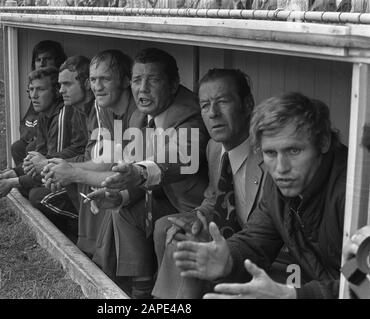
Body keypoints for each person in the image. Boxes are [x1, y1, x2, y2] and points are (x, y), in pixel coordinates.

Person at [174, 92, 347, 299]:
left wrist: (294, 295)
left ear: (324, 143)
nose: (281, 168)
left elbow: (363, 283)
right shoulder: (280, 185)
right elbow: (256, 241)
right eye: (271, 153)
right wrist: (227, 259)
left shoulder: (356, 195)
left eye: (294, 151)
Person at [94, 48, 209, 298]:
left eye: (153, 80)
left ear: (174, 84)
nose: (142, 89)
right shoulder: (141, 116)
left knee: (162, 227)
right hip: (166, 199)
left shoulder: (189, 112)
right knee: (123, 206)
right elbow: (131, 168)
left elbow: (181, 156)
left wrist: (139, 172)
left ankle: (162, 298)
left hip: (197, 207)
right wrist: (120, 194)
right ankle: (141, 290)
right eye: (137, 80)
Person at [151, 68, 266, 298]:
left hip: (263, 246)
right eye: (205, 105)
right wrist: (196, 216)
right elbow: (214, 197)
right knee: (170, 228)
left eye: (222, 102)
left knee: (187, 244)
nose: (213, 113)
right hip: (231, 233)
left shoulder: (270, 153)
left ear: (247, 104)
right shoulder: (214, 147)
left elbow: (268, 231)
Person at [41, 50, 138, 288]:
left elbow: (128, 177)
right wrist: (62, 169)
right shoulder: (105, 107)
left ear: (125, 81)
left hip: (150, 189)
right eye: (93, 80)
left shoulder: (138, 116)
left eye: (104, 79)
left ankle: (126, 287)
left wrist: (72, 172)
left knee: (110, 195)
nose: (97, 86)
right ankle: (100, 269)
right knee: (90, 184)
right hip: (131, 185)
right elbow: (105, 160)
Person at [0, 66, 86, 234]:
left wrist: (13, 182)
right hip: (63, 172)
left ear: (55, 91)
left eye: (40, 89)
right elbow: (39, 159)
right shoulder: (43, 114)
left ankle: (76, 227)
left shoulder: (62, 115)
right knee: (24, 152)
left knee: (38, 196)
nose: (33, 95)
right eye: (31, 89)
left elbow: (51, 166)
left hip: (78, 180)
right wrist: (9, 174)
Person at [11, 40, 67, 167]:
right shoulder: (39, 98)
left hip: (59, 158)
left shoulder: (59, 94)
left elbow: (54, 157)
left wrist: (16, 179)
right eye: (38, 59)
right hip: (40, 141)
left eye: (47, 59)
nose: (42, 63)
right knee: (18, 146)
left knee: (31, 149)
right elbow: (27, 121)